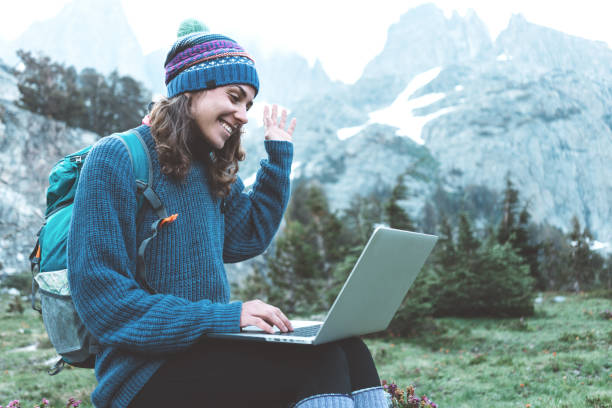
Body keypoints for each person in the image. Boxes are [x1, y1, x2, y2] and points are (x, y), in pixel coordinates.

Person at [67, 19, 388, 408]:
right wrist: (225, 317)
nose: (244, 114)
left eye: (249, 104)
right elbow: (104, 302)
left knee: (348, 349)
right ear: (191, 89)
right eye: (234, 97)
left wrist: (278, 157)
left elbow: (247, 236)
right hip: (142, 372)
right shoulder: (116, 158)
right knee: (316, 364)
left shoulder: (208, 165)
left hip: (208, 348)